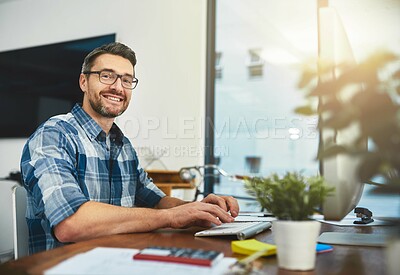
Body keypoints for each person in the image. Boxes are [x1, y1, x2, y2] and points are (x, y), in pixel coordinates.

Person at [20, 42, 239, 254]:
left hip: (122, 260)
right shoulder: (54, 134)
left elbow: (157, 201)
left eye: (127, 80)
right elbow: (70, 224)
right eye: (106, 76)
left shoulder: (122, 145)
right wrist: (171, 217)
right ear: (83, 82)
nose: (117, 87)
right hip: (64, 266)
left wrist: (197, 210)